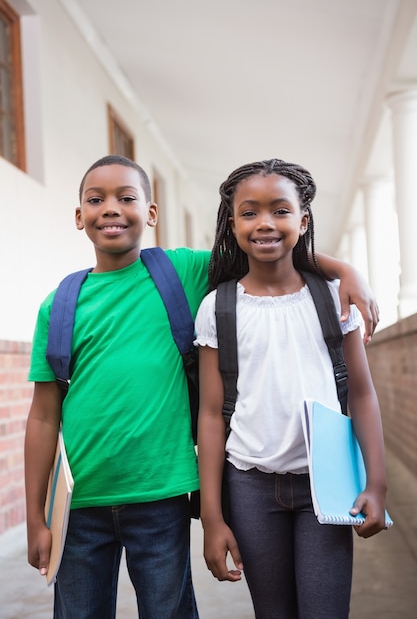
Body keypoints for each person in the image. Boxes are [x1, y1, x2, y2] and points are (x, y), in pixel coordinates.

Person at [25, 155, 379, 619]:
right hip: (79, 506)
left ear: (151, 213)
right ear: (79, 216)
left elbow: (264, 243)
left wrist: (344, 270)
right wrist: (35, 516)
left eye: (127, 198)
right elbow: (42, 416)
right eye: (96, 200)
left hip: (162, 495)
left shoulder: (183, 273)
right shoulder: (59, 306)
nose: (111, 209)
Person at [195, 158, 388, 619]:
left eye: (280, 211)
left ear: (303, 221)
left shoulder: (333, 298)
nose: (265, 223)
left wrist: (376, 484)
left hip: (326, 484)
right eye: (249, 212)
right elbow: (209, 413)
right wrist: (212, 517)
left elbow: (361, 394)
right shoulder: (217, 307)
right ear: (232, 223)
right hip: (250, 488)